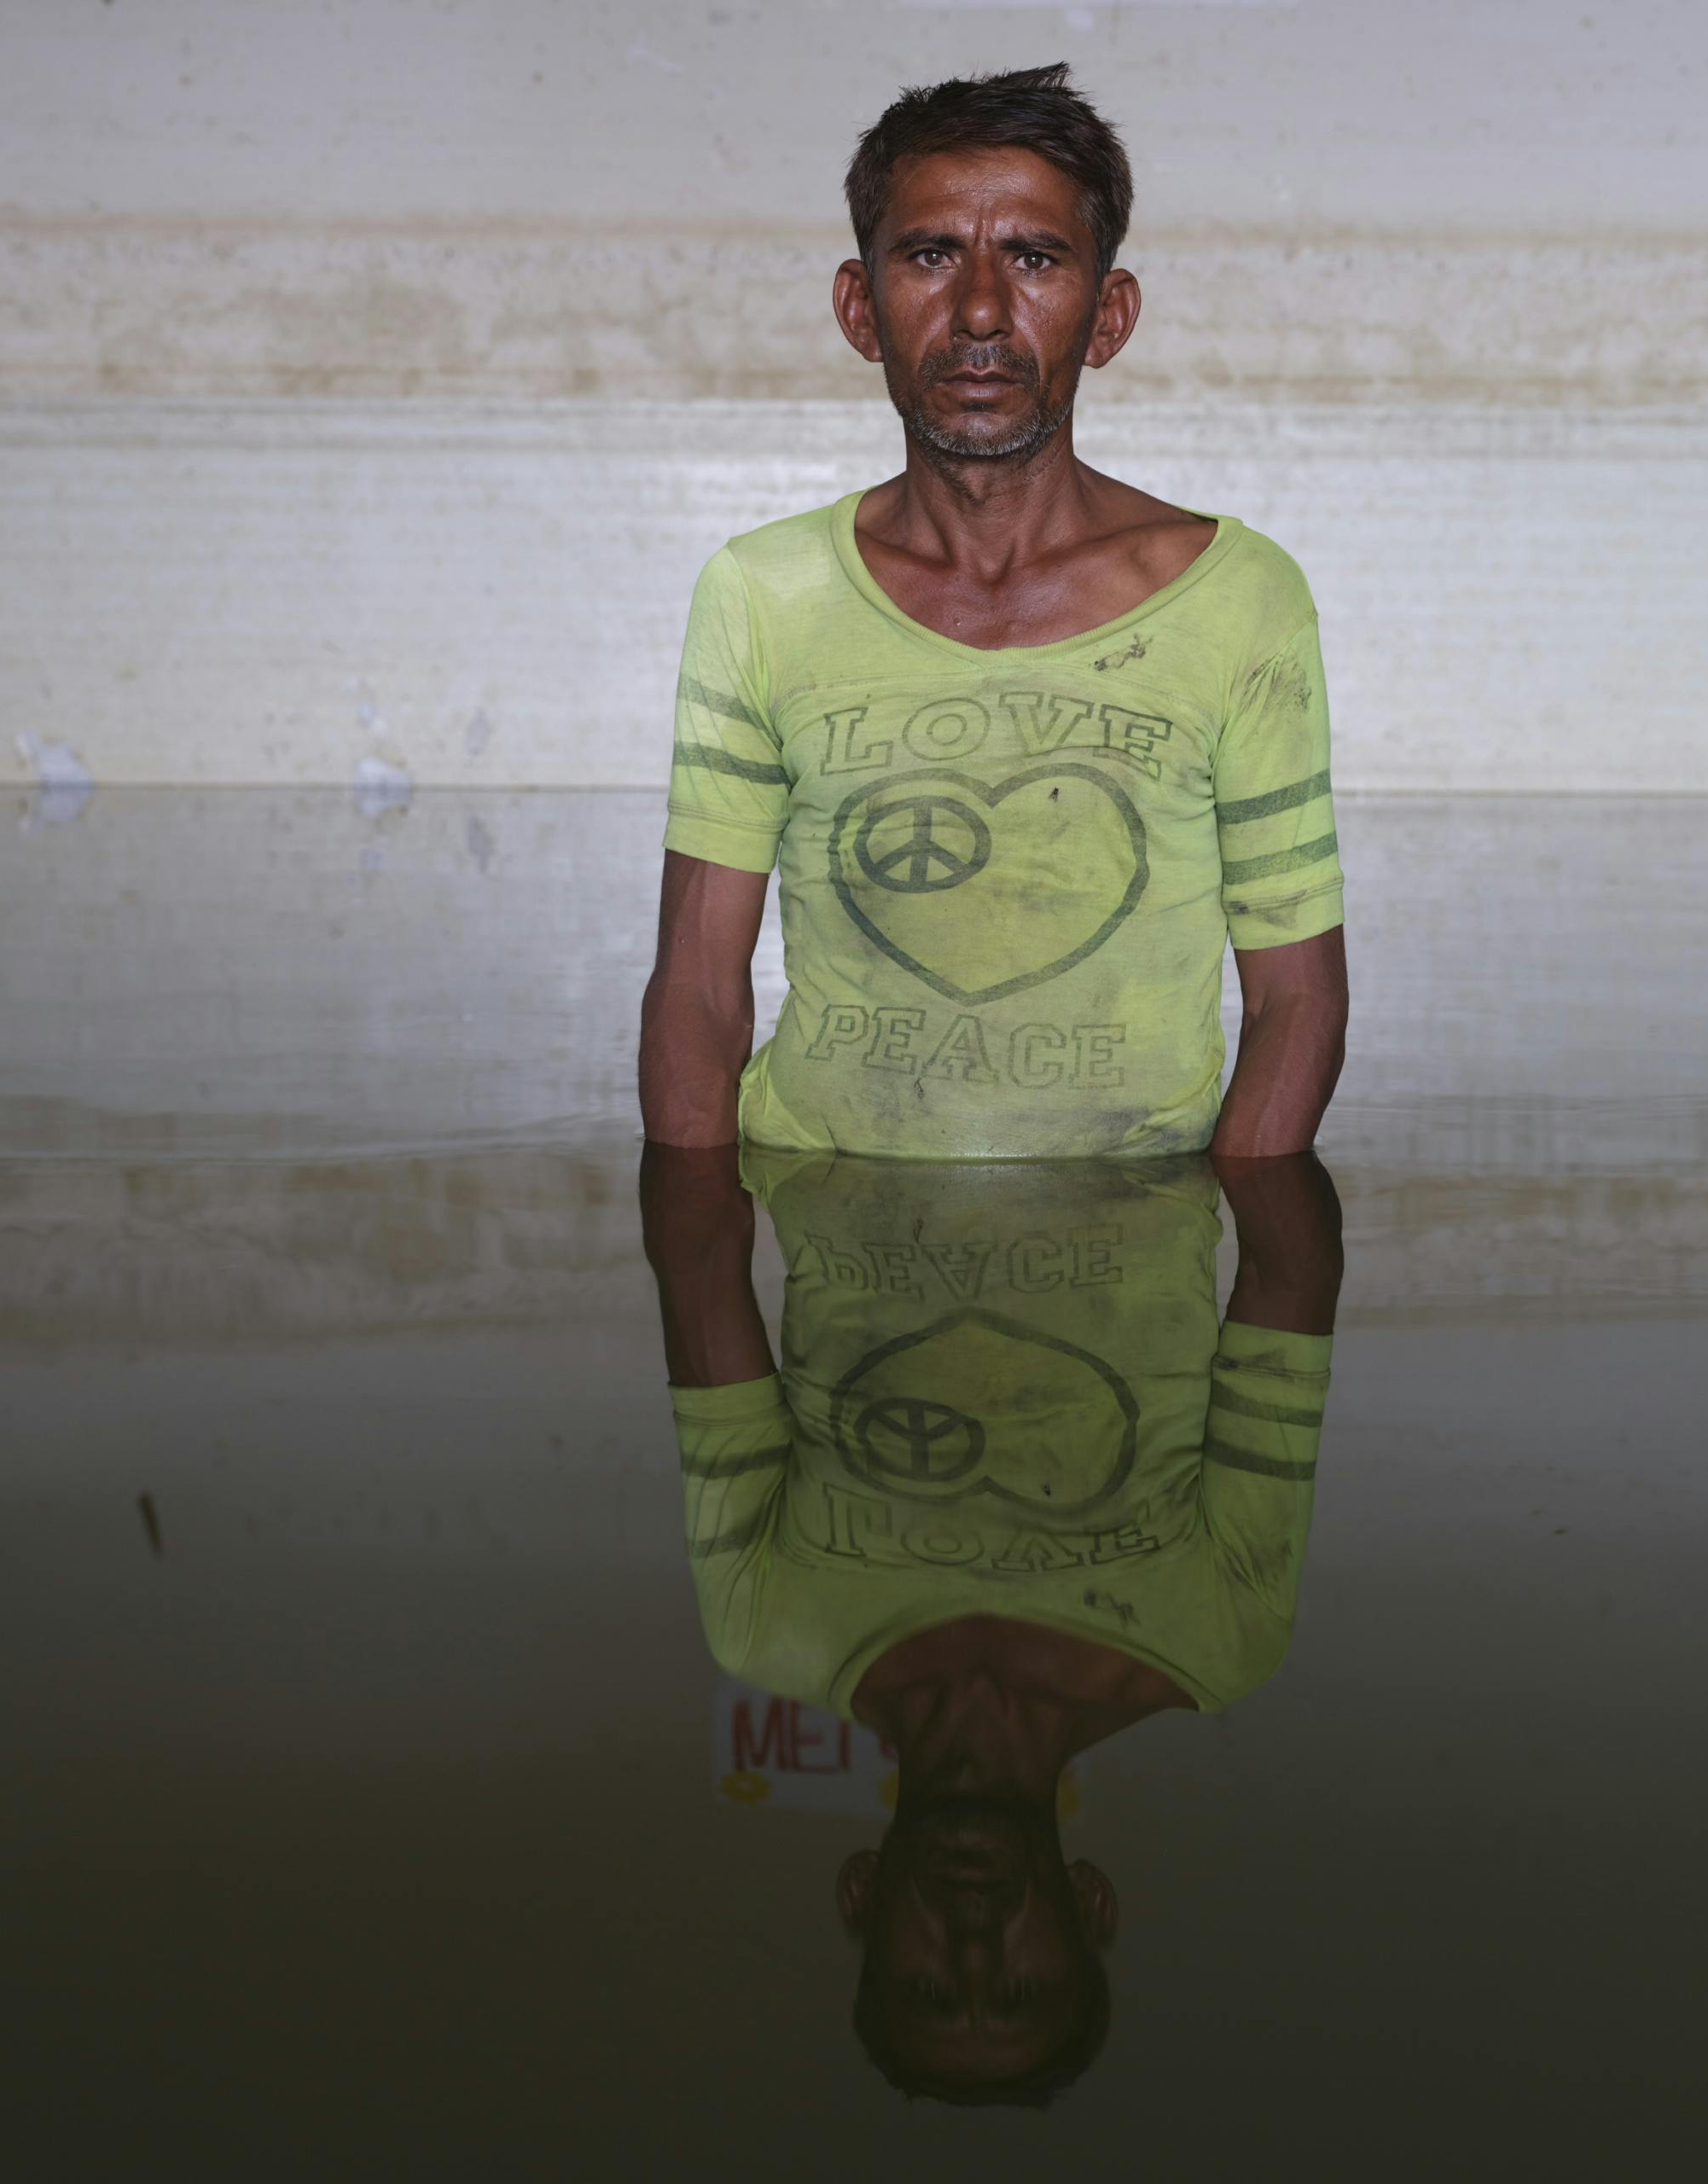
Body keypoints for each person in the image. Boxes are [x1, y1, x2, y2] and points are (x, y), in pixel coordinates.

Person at [638, 61, 1348, 1161]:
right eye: (930, 255)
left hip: (1134, 1245)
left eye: (1032, 257)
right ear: (859, 308)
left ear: (1107, 316)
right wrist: (700, 1294)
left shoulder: (1239, 595)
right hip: (831, 1222)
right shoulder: (761, 591)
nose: (978, 311)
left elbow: (1295, 1000)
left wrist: (1261, 1321)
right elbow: (696, 987)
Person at [638, 1142, 1344, 2102]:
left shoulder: (765, 1627)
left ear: (859, 1899)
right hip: (1125, 1143)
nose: (974, 1948)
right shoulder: (1220, 1636)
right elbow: (1287, 1268)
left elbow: (698, 1259)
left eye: (929, 1986)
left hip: (851, 1141)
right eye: (1020, 1986)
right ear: (1090, 1909)